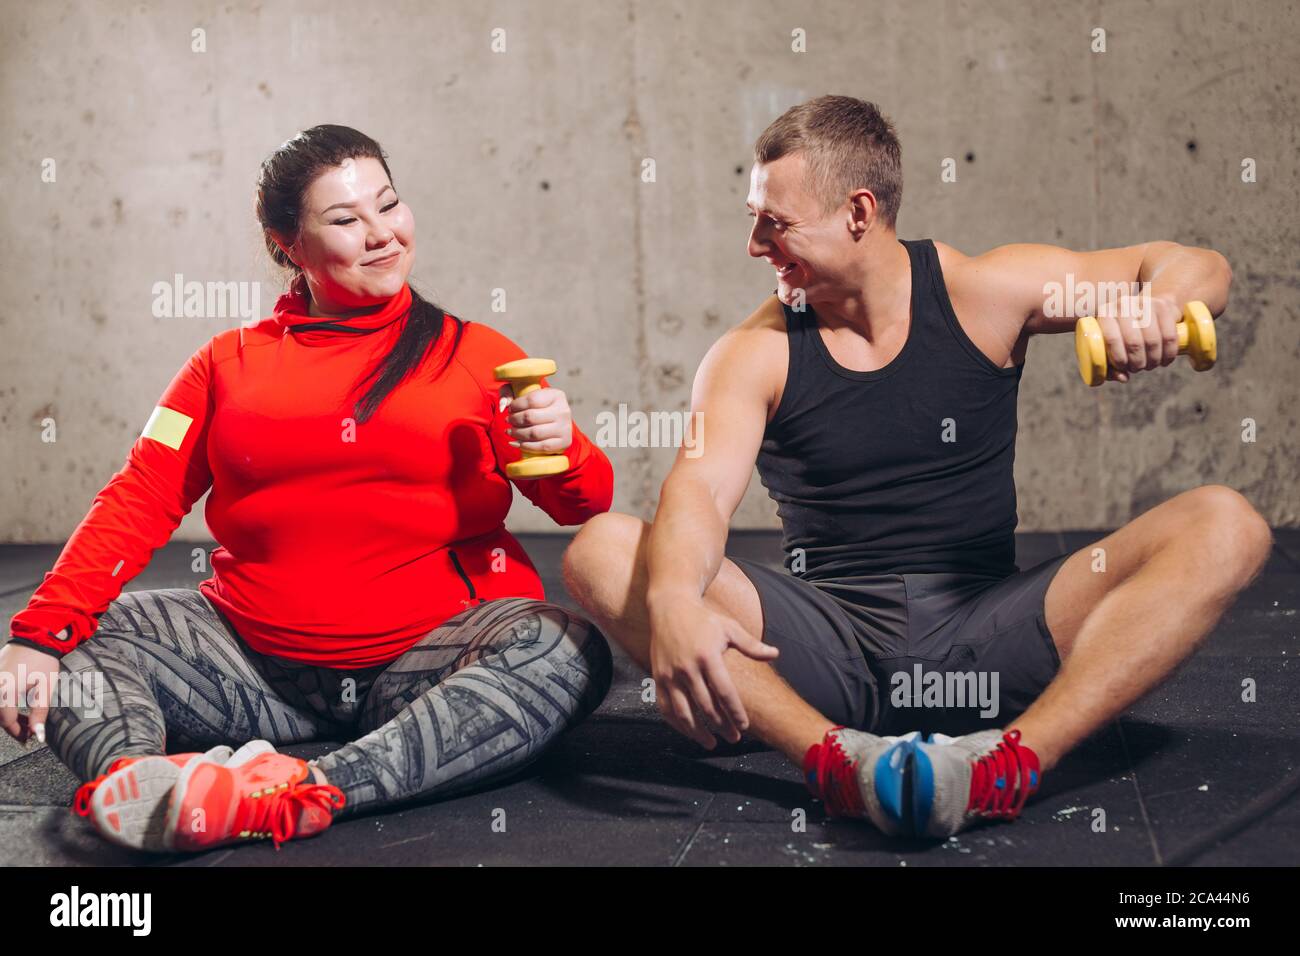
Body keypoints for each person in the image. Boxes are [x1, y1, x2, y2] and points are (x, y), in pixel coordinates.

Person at [561, 95, 1272, 839]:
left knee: (1225, 522)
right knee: (605, 549)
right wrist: (673, 601)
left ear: (858, 213)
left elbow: (1198, 267)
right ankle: (839, 765)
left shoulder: (984, 293)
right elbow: (699, 492)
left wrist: (1159, 305)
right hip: (824, 653)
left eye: (775, 222)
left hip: (990, 637)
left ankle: (1010, 764)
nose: (754, 245)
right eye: (754, 217)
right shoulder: (755, 351)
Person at [1, 125, 614, 853]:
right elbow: (141, 494)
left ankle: (296, 794)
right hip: (251, 669)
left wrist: (561, 443)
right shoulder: (225, 365)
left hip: (425, 668)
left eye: (389, 205)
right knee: (78, 637)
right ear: (287, 242)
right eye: (348, 220)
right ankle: (149, 792)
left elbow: (584, 503)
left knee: (562, 649)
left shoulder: (477, 357)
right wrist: (38, 637)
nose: (382, 235)